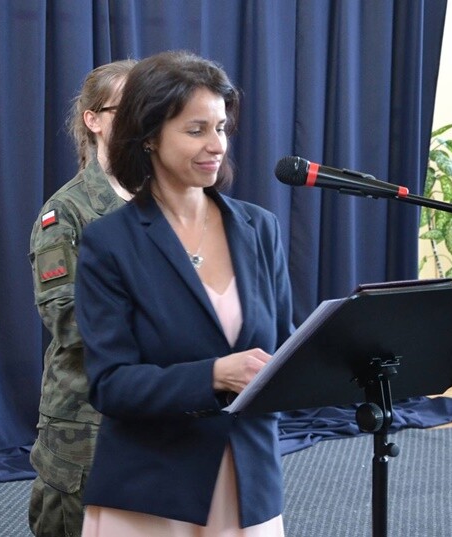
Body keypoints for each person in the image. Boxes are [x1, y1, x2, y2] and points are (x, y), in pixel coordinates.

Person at [74, 50, 294, 535]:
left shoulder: (261, 228)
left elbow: (283, 347)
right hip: (154, 493)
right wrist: (214, 374)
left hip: (250, 486)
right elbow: (110, 385)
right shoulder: (109, 242)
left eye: (221, 128)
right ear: (149, 137)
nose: (216, 145)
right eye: (196, 130)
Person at [27, 59, 136, 537]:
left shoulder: (170, 202)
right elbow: (68, 319)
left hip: (159, 413)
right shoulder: (66, 212)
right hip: (87, 419)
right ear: (93, 120)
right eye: (126, 109)